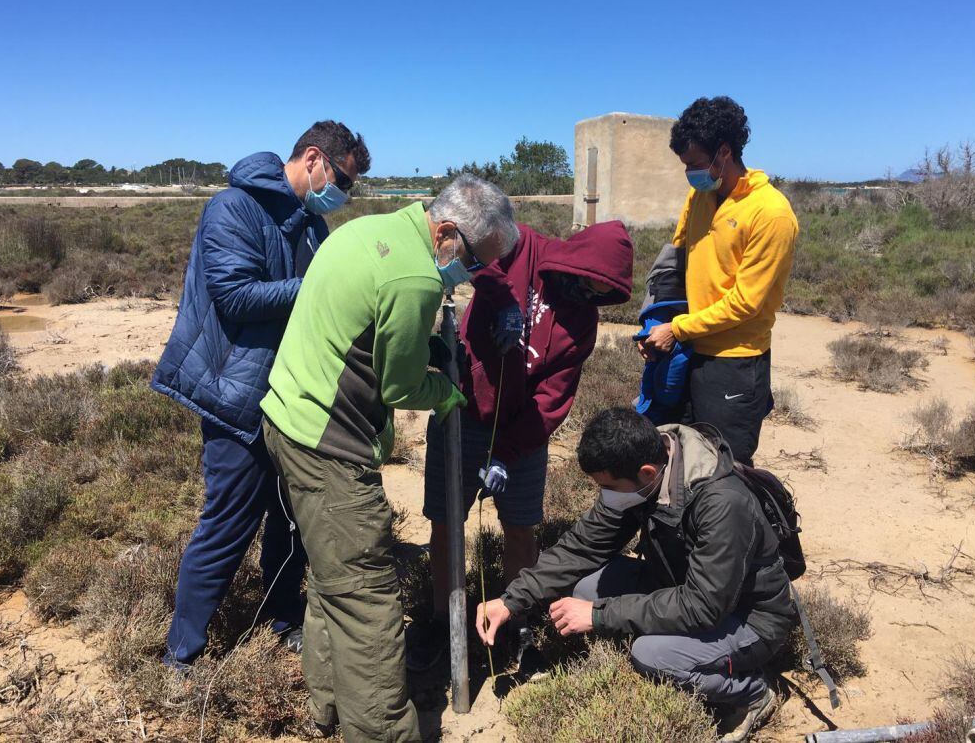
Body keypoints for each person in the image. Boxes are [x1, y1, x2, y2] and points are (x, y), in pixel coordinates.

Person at [259, 175, 519, 742]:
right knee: (368, 598)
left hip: (289, 418)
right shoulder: (414, 278)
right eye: (474, 262)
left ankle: (327, 707)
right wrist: (446, 392)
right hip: (327, 446)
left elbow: (365, 330)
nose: (473, 276)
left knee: (334, 579)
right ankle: (380, 731)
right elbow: (402, 389)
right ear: (448, 233)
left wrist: (423, 348)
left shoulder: (371, 231)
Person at [151, 120, 370, 669]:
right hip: (236, 394)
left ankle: (282, 615)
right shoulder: (233, 208)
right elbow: (235, 298)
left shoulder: (313, 225)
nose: (344, 194)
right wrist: (321, 289)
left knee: (291, 515)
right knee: (230, 519)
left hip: (291, 395)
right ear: (314, 158)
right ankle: (183, 652)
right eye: (343, 179)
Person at [476, 407, 795, 743]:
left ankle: (752, 693)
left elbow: (703, 605)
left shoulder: (722, 504)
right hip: (677, 584)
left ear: (646, 473)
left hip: (749, 619)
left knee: (652, 656)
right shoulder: (644, 468)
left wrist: (599, 617)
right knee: (586, 588)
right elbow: (581, 547)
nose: (605, 494)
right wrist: (511, 600)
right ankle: (660, 649)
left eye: (608, 486)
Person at [407, 219, 634, 672]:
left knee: (520, 527)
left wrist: (508, 455)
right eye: (586, 281)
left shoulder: (581, 322)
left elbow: (552, 399)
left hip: (523, 433)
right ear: (576, 258)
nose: (587, 294)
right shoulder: (521, 243)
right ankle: (440, 621)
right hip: (463, 411)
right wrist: (502, 300)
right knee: (447, 523)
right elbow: (473, 255)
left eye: (599, 291)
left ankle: (516, 622)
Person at [638, 96, 798, 466]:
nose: (690, 174)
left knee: (725, 470)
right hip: (686, 351)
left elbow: (746, 303)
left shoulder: (771, 213)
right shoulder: (699, 197)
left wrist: (676, 330)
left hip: (733, 363)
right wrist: (656, 326)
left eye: (695, 164)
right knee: (675, 460)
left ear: (724, 152)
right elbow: (676, 264)